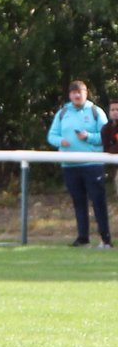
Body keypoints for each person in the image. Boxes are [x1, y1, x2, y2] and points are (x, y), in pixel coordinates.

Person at [46, 80, 111, 249]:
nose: (77, 95)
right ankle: (83, 238)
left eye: (79, 92)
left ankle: (105, 239)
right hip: (70, 165)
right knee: (78, 202)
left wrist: (88, 137)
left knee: (98, 201)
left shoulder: (96, 111)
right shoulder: (62, 113)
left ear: (86, 93)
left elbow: (105, 136)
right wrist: (61, 141)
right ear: (70, 95)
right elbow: (51, 136)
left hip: (92, 164)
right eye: (73, 92)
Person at [102, 99, 118, 198]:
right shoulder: (105, 129)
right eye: (112, 110)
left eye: (117, 109)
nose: (115, 112)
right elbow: (106, 148)